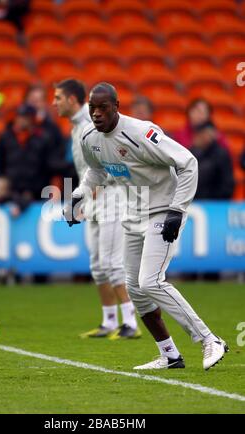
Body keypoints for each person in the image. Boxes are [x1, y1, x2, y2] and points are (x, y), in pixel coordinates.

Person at [63, 82, 228, 370]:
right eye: (92, 108)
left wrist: (177, 210)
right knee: (136, 289)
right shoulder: (90, 139)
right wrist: (79, 195)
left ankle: (209, 340)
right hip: (133, 214)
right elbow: (97, 171)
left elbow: (188, 163)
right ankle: (170, 355)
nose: (97, 114)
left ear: (116, 107)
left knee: (151, 281)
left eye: (103, 107)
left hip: (163, 211)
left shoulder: (141, 132)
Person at [53, 79, 140, 339]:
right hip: (93, 198)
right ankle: (109, 321)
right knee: (98, 265)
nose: (54, 102)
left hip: (111, 195)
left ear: (71, 100)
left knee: (113, 264)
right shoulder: (77, 126)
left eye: (58, 97)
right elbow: (86, 171)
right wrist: (80, 198)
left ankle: (131, 323)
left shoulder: (93, 122)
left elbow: (107, 163)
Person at [190, 121, 234, 200]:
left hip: (216, 202)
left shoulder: (221, 154)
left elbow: (227, 183)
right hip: (194, 201)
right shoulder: (192, 153)